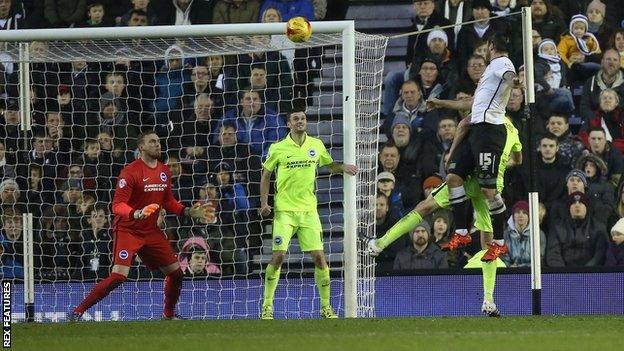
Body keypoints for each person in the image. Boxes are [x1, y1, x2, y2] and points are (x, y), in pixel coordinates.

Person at [367, 115, 522, 317]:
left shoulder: (483, 117)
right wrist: (501, 165)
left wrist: (453, 154)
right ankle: (489, 300)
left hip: (468, 177)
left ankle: (379, 244)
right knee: (488, 243)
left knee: (426, 206)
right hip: (491, 186)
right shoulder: (513, 132)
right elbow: (518, 160)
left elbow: (464, 124)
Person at [70, 131, 215, 321]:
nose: (157, 144)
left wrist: (188, 211)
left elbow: (169, 201)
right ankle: (78, 311)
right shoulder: (130, 172)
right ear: (142, 147)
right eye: (152, 141)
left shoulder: (164, 171)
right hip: (128, 229)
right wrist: (135, 213)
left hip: (150, 231)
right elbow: (116, 205)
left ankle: (169, 316)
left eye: (158, 141)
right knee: (119, 277)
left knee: (176, 273)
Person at [259, 108, 357, 319]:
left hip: (309, 212)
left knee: (320, 258)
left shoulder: (316, 145)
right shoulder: (278, 148)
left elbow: (330, 166)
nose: (300, 121)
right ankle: (267, 306)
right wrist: (264, 203)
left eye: (303, 118)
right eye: (296, 119)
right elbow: (266, 176)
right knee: (278, 257)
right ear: (289, 124)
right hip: (284, 211)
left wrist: (344, 167)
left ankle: (325, 307)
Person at [440, 32, 522, 262]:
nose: (483, 49)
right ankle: (462, 233)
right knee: (453, 177)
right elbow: (475, 102)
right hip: (477, 129)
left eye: (486, 45)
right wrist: (440, 103)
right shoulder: (490, 68)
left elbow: (510, 76)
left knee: (488, 191)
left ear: (492, 45)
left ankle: (499, 243)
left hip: (489, 133)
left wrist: (514, 81)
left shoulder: (502, 63)